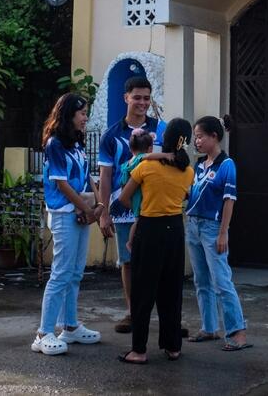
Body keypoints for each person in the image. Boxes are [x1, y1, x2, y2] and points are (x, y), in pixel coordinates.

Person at [113, 118, 194, 364]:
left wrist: (142, 208)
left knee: (142, 291)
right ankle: (172, 347)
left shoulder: (146, 167)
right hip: (175, 231)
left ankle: (139, 350)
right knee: (171, 291)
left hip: (149, 229)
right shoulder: (188, 171)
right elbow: (186, 196)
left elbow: (124, 199)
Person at [32, 93, 103, 356]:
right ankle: (43, 333)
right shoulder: (54, 144)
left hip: (80, 212)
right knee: (61, 273)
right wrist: (89, 210)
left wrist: (99, 205)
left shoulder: (76, 143)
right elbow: (61, 184)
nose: (86, 118)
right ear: (69, 114)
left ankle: (70, 326)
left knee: (75, 273)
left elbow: (87, 177)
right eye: (82, 113)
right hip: (64, 213)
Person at [97, 76, 167, 334]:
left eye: (146, 98)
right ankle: (132, 312)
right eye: (137, 97)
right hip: (124, 208)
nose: (142, 102)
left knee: (158, 262)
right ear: (125, 97)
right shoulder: (111, 135)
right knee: (128, 261)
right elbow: (105, 177)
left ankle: (165, 316)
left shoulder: (162, 129)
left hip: (156, 207)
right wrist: (103, 213)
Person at [184, 115, 252, 352]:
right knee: (201, 279)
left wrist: (223, 232)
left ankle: (238, 333)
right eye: (195, 137)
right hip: (192, 225)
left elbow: (229, 200)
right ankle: (209, 327)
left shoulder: (226, 165)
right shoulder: (197, 166)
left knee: (221, 281)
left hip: (213, 229)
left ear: (214, 136)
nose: (197, 141)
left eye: (201, 136)